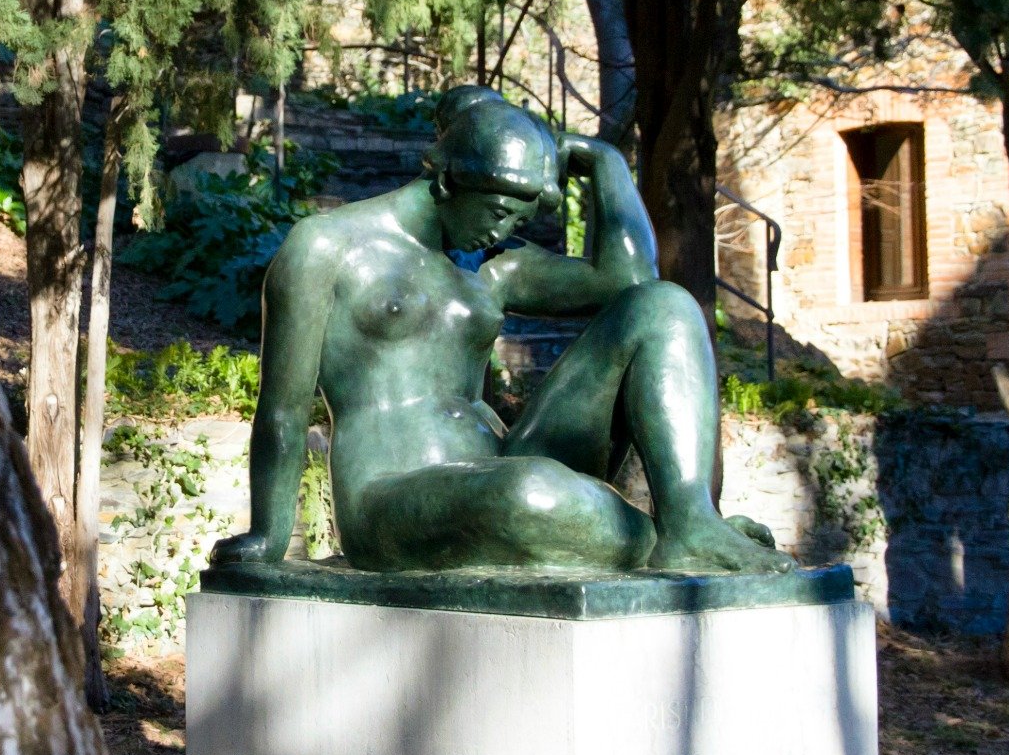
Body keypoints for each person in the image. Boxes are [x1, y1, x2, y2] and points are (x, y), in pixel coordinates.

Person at [210, 89, 793, 573]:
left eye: (520, 216)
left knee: (664, 306)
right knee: (528, 494)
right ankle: (658, 538)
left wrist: (604, 162)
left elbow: (630, 278)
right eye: (499, 211)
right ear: (447, 181)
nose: (504, 231)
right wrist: (267, 534)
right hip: (391, 497)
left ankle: (690, 521)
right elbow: (283, 410)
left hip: (505, 463)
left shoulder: (492, 269)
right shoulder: (326, 247)